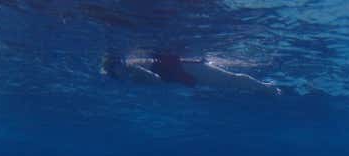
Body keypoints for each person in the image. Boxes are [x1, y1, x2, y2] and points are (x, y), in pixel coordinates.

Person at [100, 52, 282, 95]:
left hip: (188, 70)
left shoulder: (130, 69)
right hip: (184, 75)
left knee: (231, 80)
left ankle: (267, 88)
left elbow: (155, 80)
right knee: (229, 82)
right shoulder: (126, 70)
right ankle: (266, 87)